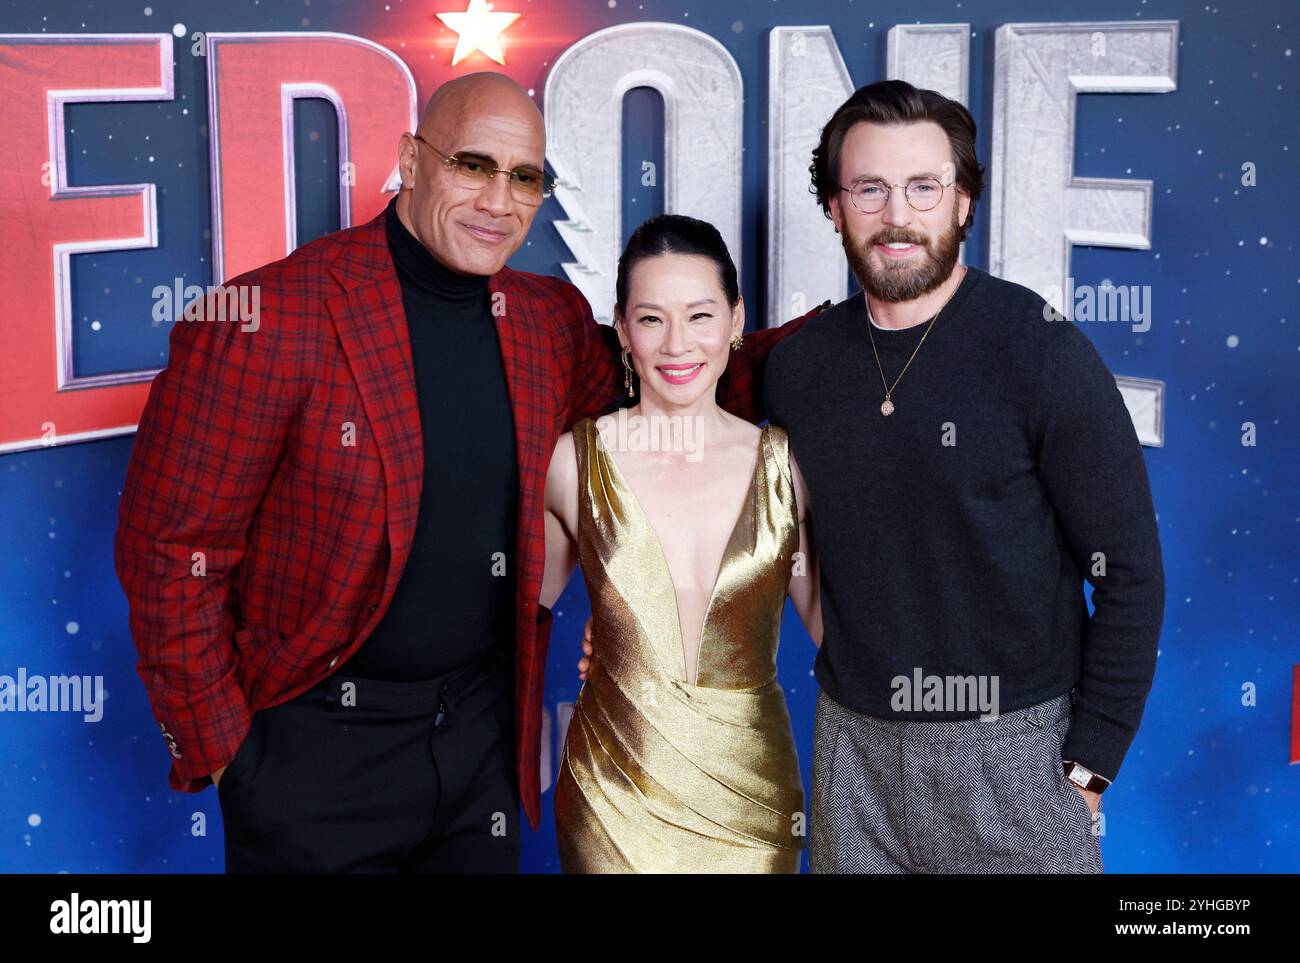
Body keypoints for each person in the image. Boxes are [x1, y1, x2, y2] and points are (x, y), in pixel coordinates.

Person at [113, 72, 818, 873]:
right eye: (472, 165)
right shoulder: (271, 318)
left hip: (481, 744)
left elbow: (676, 371)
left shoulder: (543, 321)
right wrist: (235, 757)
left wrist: (860, 345)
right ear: (411, 161)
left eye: (524, 178)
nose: (498, 200)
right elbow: (168, 551)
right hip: (315, 754)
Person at [582, 80, 1165, 874]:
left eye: (924, 187)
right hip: (851, 750)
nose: (897, 215)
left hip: (1015, 756)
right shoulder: (797, 367)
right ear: (834, 208)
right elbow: (696, 447)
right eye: (870, 189)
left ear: (963, 202)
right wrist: (634, 618)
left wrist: (1087, 769)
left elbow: (1131, 570)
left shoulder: (1040, 350)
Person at [541, 214, 822, 873]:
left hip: (753, 797)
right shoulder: (570, 464)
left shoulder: (786, 464)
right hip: (613, 796)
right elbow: (508, 627)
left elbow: (842, 633)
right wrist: (618, 642)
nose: (676, 344)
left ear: (735, 319)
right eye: (651, 318)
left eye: (699, 315)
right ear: (622, 329)